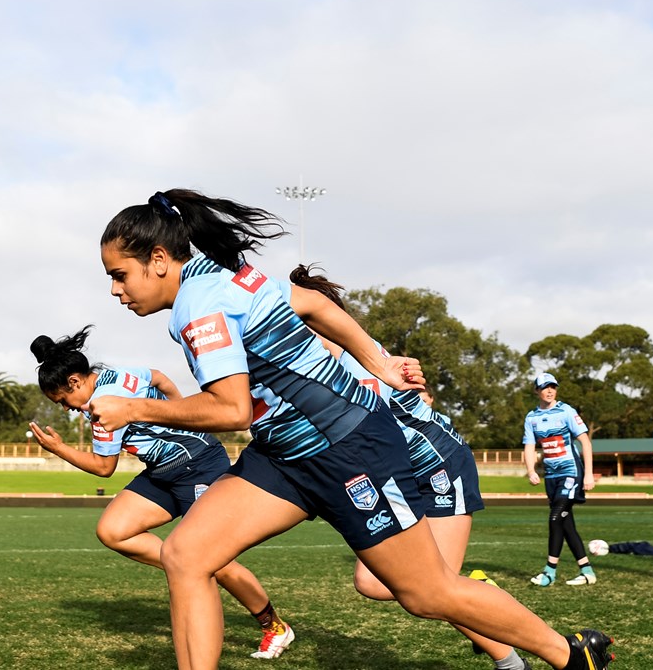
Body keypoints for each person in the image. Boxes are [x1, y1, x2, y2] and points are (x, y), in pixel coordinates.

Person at [88, 190, 613, 670]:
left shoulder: (198, 307)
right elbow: (313, 302)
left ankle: (569, 656)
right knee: (186, 556)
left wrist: (135, 409)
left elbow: (230, 410)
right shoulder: (229, 275)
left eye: (120, 274)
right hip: (284, 457)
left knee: (426, 593)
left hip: (349, 446)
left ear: (159, 260)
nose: (115, 290)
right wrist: (378, 361)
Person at [289, 266, 522, 670]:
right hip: (397, 477)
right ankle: (480, 596)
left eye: (300, 324)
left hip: (440, 468)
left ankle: (513, 658)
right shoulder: (325, 366)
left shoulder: (360, 361)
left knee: (435, 589)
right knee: (373, 582)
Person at [27, 327, 296, 661]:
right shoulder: (115, 374)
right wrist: (184, 411)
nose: (66, 408)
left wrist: (58, 448)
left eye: (63, 401)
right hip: (163, 471)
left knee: (218, 563)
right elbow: (158, 377)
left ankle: (275, 627)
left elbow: (103, 467)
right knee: (114, 530)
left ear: (75, 382)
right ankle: (184, 563)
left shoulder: (101, 405)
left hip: (199, 465)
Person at [524, 373, 598, 587]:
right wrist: (531, 470)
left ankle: (549, 572)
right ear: (536, 391)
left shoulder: (566, 411)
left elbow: (585, 442)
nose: (549, 390)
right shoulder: (532, 418)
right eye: (545, 387)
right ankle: (587, 571)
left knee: (555, 518)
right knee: (566, 523)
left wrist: (589, 474)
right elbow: (530, 446)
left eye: (552, 386)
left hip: (570, 472)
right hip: (551, 476)